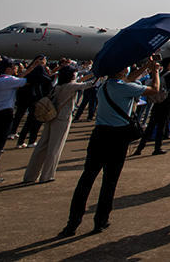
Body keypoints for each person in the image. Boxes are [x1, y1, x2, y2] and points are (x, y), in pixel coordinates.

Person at [59, 56, 161, 236]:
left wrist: (147, 65)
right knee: (109, 180)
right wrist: (155, 71)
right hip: (118, 136)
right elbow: (154, 89)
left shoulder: (104, 86)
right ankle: (101, 220)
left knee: (86, 178)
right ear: (122, 71)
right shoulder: (126, 88)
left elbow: (127, 79)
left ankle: (72, 222)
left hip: (99, 134)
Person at [0, 56, 47, 185]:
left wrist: (32, 66)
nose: (16, 68)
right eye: (13, 67)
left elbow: (19, 78)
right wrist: (39, 68)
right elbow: (26, 80)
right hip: (4, 115)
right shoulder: (9, 80)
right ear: (7, 69)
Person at [24, 66, 94, 183]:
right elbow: (89, 84)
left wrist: (91, 74)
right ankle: (47, 175)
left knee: (42, 145)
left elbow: (80, 81)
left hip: (52, 116)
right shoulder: (71, 86)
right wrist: (101, 76)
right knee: (55, 147)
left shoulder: (58, 86)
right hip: (63, 117)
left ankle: (30, 175)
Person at [133, 57, 170, 156]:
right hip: (166, 102)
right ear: (169, 64)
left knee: (151, 125)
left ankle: (140, 147)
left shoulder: (161, 73)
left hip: (157, 101)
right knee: (161, 126)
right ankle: (157, 147)